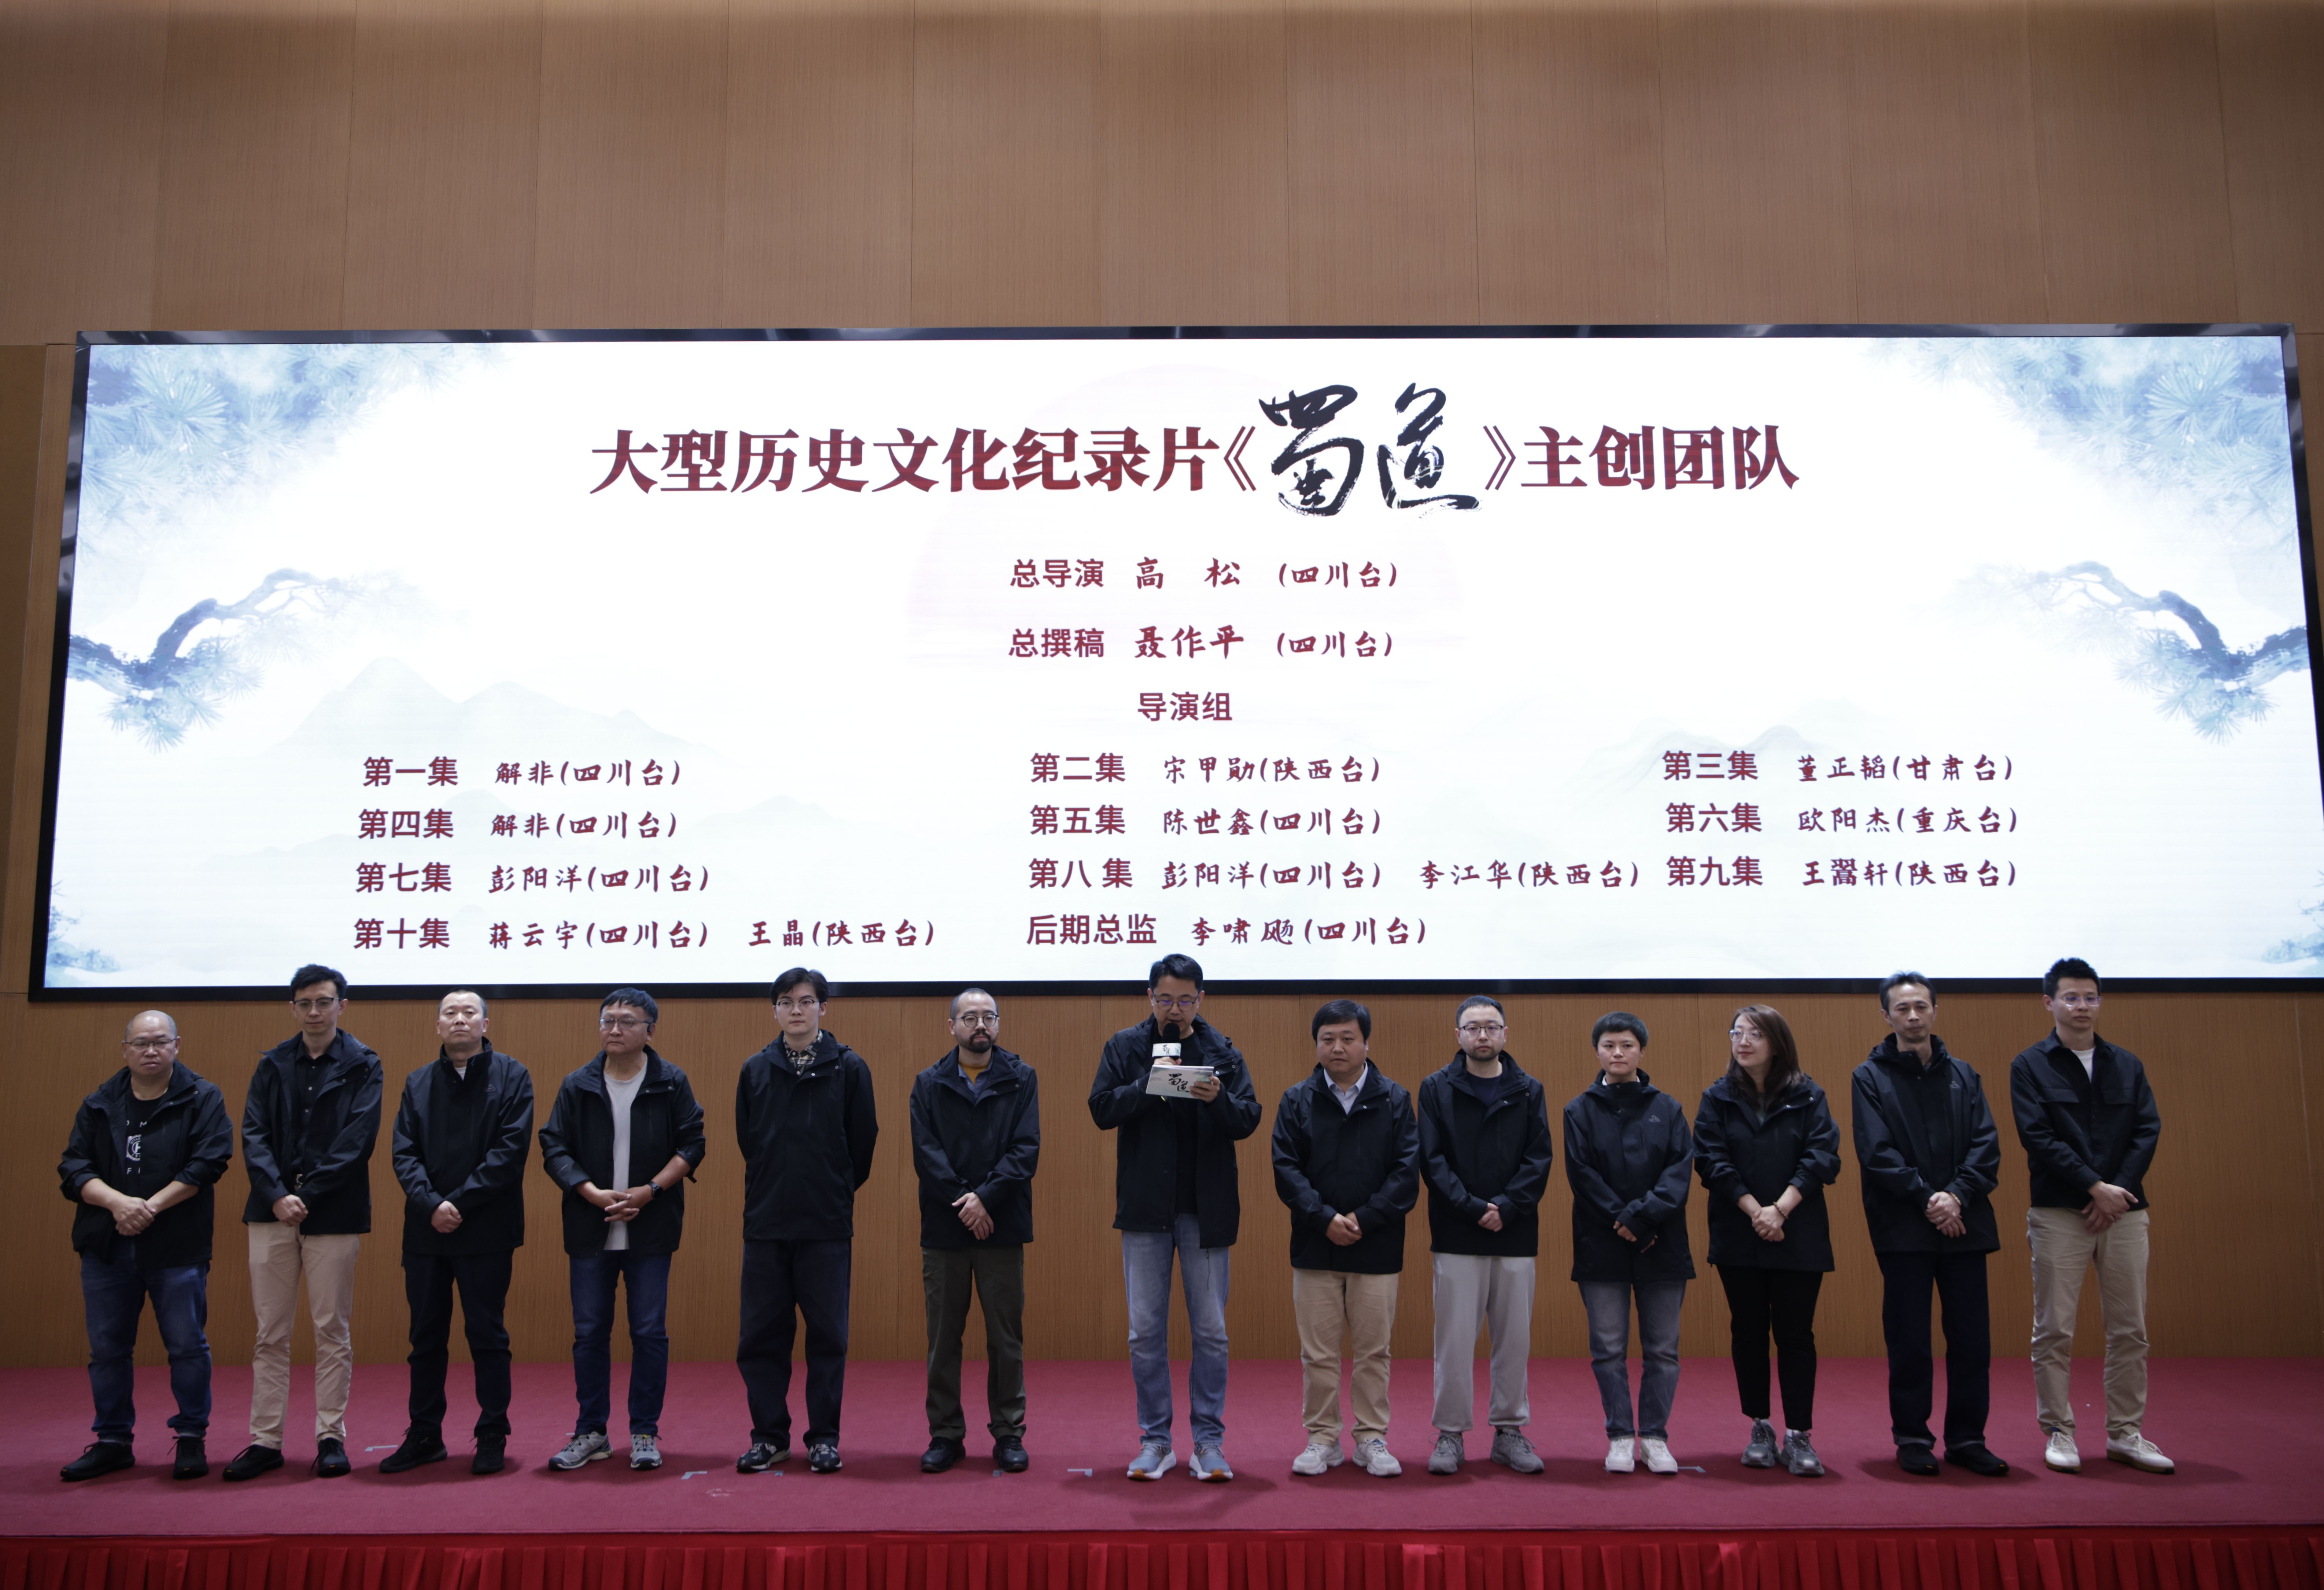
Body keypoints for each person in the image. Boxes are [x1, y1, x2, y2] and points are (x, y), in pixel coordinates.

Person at [1088, 951, 1262, 1482]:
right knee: (1144, 1333)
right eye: (1165, 999)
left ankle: (1208, 1441)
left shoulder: (1222, 1052)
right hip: (1146, 1210)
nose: (1175, 1009)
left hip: (1205, 1212)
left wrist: (1217, 1099)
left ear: (1201, 999)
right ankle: (1156, 1440)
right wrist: (1151, 1082)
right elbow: (1101, 1109)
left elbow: (1248, 1119)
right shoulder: (1125, 1047)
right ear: (1150, 997)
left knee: (1211, 1332)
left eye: (1186, 1000)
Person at [2009, 957, 2169, 1474]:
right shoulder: (2029, 1065)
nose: (2082, 1006)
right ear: (2049, 1003)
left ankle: (2126, 1433)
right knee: (2054, 1328)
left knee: (2130, 1329)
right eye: (2071, 997)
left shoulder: (2126, 1063)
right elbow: (2037, 1137)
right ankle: (2059, 1430)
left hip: (2124, 1211)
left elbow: (2147, 1130)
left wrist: (2115, 1192)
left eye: (2090, 997)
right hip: (2060, 1210)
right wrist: (2093, 1187)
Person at [58, 1012, 233, 1482]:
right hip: (107, 1245)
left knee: (187, 1346)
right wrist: (118, 1204)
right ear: (126, 1049)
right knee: (107, 1350)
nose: (150, 1050)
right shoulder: (100, 1101)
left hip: (177, 1246)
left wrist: (149, 1207)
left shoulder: (203, 1097)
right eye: (140, 1043)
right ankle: (113, 1440)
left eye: (160, 1041)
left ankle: (191, 1436)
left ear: (177, 1045)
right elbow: (73, 1168)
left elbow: (209, 1163)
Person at [539, 988, 707, 1474]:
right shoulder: (578, 1083)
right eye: (607, 1020)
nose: (614, 1029)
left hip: (650, 1226)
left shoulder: (671, 1081)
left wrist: (650, 1191)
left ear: (650, 1031)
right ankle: (591, 1431)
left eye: (627, 1021)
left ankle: (644, 1431)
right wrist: (590, 1192)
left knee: (649, 1331)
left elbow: (692, 1144)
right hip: (590, 1224)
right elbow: (554, 1145)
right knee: (589, 1332)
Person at [228, 965, 382, 1482]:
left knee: (331, 1330)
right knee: (269, 1333)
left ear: (343, 1005)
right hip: (270, 1211)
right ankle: (265, 1440)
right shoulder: (272, 1063)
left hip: (332, 1212)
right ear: (293, 1008)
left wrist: (306, 1195)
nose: (314, 1011)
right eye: (305, 1003)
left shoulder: (364, 1064)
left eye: (324, 1001)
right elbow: (252, 1134)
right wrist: (277, 1195)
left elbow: (357, 1141)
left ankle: (330, 1436)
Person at [1853, 971, 2008, 1476]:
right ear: (1886, 1015)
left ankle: (1967, 1438)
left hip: (1965, 1223)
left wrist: (1957, 1196)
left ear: (1935, 1011)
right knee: (1910, 1341)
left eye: (1921, 1006)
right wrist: (1929, 1199)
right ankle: (1913, 1437)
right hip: (1904, 1228)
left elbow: (1986, 1146)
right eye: (1903, 1008)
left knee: (1971, 1341)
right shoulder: (1869, 1077)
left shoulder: (1963, 1074)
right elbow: (1876, 1152)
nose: (1914, 1016)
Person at [381, 990, 535, 1475]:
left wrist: (458, 1203)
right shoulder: (418, 1081)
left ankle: (492, 1433)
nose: (460, 1020)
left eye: (470, 1012)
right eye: (450, 1013)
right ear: (438, 1026)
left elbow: (509, 1153)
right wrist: (432, 1205)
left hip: (486, 1227)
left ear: (486, 1024)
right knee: (425, 1337)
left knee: (487, 1334)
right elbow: (403, 1153)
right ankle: (425, 1434)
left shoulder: (512, 1075)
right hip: (426, 1230)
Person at [735, 968, 878, 1475]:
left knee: (828, 1337)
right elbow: (749, 1142)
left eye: (805, 1001)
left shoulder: (849, 1067)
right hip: (766, 1223)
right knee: (760, 1337)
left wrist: (832, 1189)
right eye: (785, 1002)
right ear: (775, 1010)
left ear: (823, 1008)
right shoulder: (756, 1069)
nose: (796, 1010)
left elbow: (862, 1144)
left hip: (825, 1224)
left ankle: (824, 1439)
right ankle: (768, 1437)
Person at [1271, 999, 1420, 1478]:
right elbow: (1286, 1170)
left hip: (1376, 1245)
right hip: (1315, 1244)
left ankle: (1372, 1437)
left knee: (1374, 1351)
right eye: (1328, 1039)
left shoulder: (1394, 1098)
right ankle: (1322, 1438)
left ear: (1365, 1043)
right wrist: (1325, 1218)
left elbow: (1406, 1173)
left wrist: (1363, 1218)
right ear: (1317, 1044)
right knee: (1318, 1353)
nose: (1337, 1047)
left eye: (1347, 1038)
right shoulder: (1296, 1099)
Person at [1693, 1005, 1840, 1478]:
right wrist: (1756, 1210)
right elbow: (1710, 1161)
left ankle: (1799, 1433)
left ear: (1776, 1043)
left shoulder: (1808, 1094)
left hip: (1797, 1231)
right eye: (1736, 1032)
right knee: (1749, 1331)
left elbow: (1823, 1157)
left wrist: (1781, 1209)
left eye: (1754, 1033)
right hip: (1740, 1232)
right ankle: (1760, 1425)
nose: (1743, 1041)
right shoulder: (1717, 1097)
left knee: (1796, 1334)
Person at [1417, 994, 1553, 1477]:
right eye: (1472, 1027)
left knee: (1513, 1340)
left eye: (1491, 1027)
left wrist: (1507, 1207)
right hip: (1457, 1231)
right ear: (1458, 1035)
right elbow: (1432, 1160)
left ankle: (1509, 1431)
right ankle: (1450, 1434)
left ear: (1504, 1034)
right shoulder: (1435, 1087)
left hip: (1515, 1231)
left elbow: (1539, 1158)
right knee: (1453, 1341)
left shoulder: (1528, 1089)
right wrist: (1474, 1208)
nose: (1482, 1035)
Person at [909, 988, 1040, 1474]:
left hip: (1002, 1225)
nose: (980, 1025)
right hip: (945, 1227)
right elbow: (926, 1154)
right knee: (943, 1338)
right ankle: (945, 1434)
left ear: (998, 1024)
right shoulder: (928, 1082)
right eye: (969, 1017)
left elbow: (1025, 1150)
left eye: (988, 1016)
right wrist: (967, 1202)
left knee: (1006, 1337)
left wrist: (985, 1198)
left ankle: (1009, 1432)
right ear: (953, 1027)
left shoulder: (1021, 1077)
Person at [1565, 1012, 1693, 1476]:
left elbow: (1679, 1171)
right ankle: (1620, 1435)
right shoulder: (1579, 1110)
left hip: (1662, 1243)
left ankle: (1655, 1436)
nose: (1618, 1053)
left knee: (1663, 1350)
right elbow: (1582, 1175)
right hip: (1603, 1243)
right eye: (1609, 1045)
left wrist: (1642, 1217)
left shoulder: (1668, 1108)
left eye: (1627, 1045)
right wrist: (1624, 1218)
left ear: (1642, 1050)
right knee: (1608, 1349)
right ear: (1597, 1051)